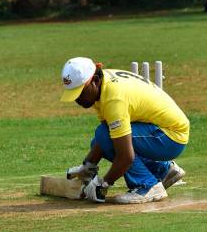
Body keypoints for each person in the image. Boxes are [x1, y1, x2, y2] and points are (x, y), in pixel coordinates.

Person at [60, 57, 190, 204]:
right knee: (101, 138)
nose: (77, 99)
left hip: (171, 137)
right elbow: (104, 137)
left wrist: (103, 184)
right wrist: (88, 166)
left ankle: (147, 186)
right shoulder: (102, 86)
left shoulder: (113, 98)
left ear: (95, 80)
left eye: (80, 92)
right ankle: (162, 171)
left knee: (107, 137)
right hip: (160, 131)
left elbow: (125, 156)